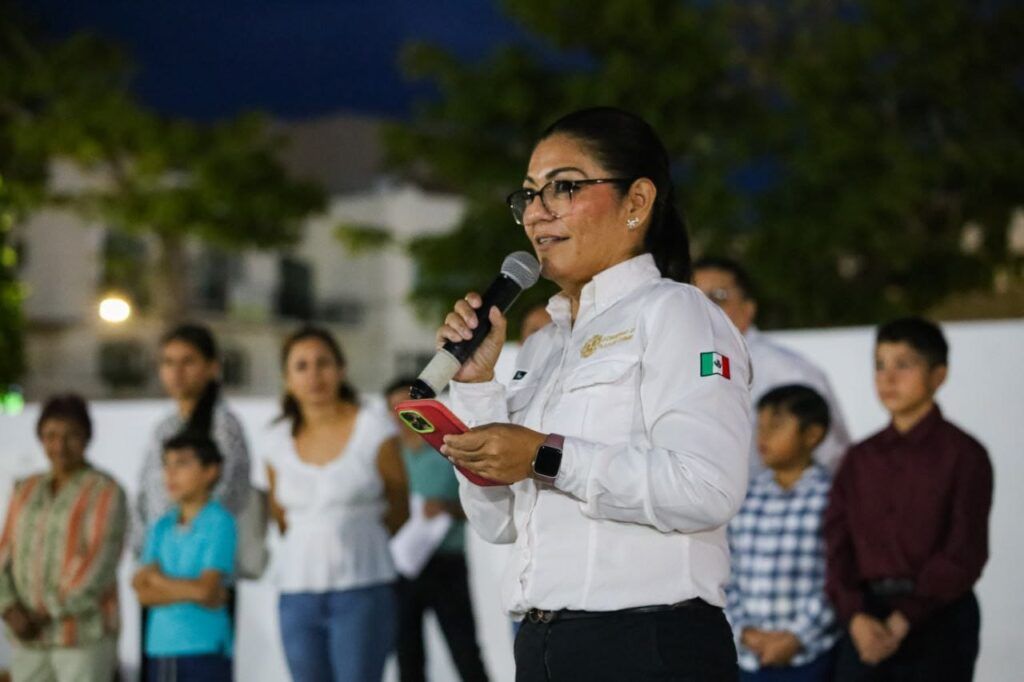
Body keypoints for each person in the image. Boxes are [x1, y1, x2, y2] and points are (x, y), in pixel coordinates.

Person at [436, 107, 752, 681]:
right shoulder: (543, 346)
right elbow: (498, 524)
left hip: (646, 646)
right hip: (542, 643)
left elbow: (707, 487)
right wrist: (478, 388)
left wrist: (545, 456)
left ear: (637, 201)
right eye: (528, 195)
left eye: (564, 187)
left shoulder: (676, 313)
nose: (537, 212)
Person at [825, 317, 992, 681]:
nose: (888, 378)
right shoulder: (860, 458)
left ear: (938, 375)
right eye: (879, 365)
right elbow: (837, 541)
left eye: (903, 365)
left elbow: (964, 550)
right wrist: (855, 615)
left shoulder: (964, 454)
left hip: (938, 617)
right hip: (866, 618)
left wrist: (904, 619)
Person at [261, 326, 409, 682]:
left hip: (363, 585)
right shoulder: (275, 440)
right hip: (297, 592)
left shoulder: (374, 427)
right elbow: (280, 516)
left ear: (341, 369)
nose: (314, 375)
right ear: (287, 379)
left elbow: (399, 504)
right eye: (302, 366)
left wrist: (357, 537)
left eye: (323, 363)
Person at [0, 394, 127, 682]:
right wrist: (8, 608)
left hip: (81, 637)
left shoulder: (104, 491)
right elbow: (5, 551)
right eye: (51, 436)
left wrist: (42, 613)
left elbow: (98, 563)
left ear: (87, 438)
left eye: (72, 436)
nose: (60, 446)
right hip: (28, 640)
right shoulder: (26, 489)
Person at [693, 257, 851, 474]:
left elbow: (831, 457)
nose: (703, 308)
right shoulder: (675, 367)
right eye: (693, 298)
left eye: (717, 297)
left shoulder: (788, 371)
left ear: (748, 309)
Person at [726, 385, 839, 680]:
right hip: (748, 656)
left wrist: (797, 636)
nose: (762, 436)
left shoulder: (833, 497)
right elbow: (726, 571)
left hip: (811, 655)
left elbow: (839, 576)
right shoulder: (745, 497)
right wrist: (744, 631)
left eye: (776, 425)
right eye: (760, 425)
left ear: (812, 435)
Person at [385, 377, 490, 682]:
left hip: (447, 562)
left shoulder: (448, 449)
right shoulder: (388, 456)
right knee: (407, 654)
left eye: (406, 406)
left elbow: (483, 505)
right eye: (394, 408)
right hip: (402, 565)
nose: (401, 415)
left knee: (465, 651)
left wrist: (446, 508)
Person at [134, 323, 251, 551]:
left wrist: (186, 543)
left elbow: (227, 495)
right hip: (160, 554)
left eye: (188, 362)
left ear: (212, 367)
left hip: (203, 556)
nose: (177, 372)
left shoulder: (223, 426)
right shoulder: (164, 428)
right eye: (168, 362)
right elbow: (147, 495)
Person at [133, 433, 237, 681]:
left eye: (182, 464)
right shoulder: (161, 525)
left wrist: (158, 580)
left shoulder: (219, 522)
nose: (170, 474)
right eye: (166, 465)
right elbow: (143, 593)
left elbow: (206, 589)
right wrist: (196, 591)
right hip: (160, 646)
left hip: (205, 645)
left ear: (210, 471)